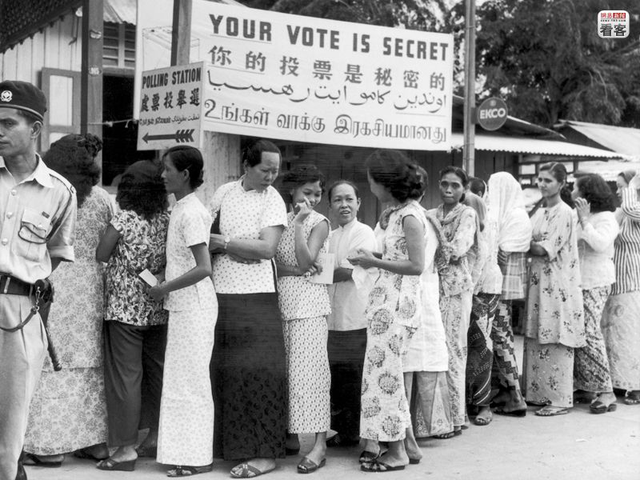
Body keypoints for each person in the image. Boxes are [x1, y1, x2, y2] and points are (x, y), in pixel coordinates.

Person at [0, 80, 76, 480]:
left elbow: (58, 254)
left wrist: (25, 285)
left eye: (8, 123)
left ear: (35, 129)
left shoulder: (60, 192)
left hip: (19, 315)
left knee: (11, 427)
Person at [23, 134, 111, 466]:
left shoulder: (50, 194)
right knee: (89, 363)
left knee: (49, 360)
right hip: (90, 286)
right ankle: (94, 442)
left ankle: (49, 447)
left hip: (54, 280)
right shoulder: (102, 199)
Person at [209, 139, 288, 478]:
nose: (271, 176)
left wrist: (228, 244)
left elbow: (267, 248)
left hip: (257, 297)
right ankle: (235, 449)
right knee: (229, 374)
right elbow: (206, 239)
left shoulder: (272, 199)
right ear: (246, 165)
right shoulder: (223, 193)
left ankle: (265, 453)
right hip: (221, 294)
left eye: (275, 170)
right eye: (265, 169)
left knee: (260, 375)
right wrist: (240, 248)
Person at [348, 149, 426, 473]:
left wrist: (373, 261)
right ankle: (408, 444)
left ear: (383, 181)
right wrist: (375, 254)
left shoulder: (410, 216)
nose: (369, 185)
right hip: (385, 305)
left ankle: (396, 452)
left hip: (397, 307)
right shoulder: (396, 213)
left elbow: (417, 265)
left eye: (371, 179)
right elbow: (398, 253)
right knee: (384, 374)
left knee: (386, 378)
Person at [95, 160, 170, 471]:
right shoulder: (168, 218)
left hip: (124, 310)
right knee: (157, 375)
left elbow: (101, 254)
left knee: (126, 379)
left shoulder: (124, 219)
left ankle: (125, 449)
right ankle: (154, 436)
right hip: (158, 307)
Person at [149, 146, 217, 477]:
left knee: (191, 383)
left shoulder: (191, 212)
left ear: (185, 174)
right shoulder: (180, 208)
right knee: (179, 381)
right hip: (183, 304)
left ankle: (197, 457)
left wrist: (164, 287)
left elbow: (204, 268)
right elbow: (182, 261)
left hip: (196, 306)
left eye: (167, 169)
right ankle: (184, 454)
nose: (162, 175)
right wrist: (164, 279)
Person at [275, 165, 331, 474]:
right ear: (293, 191)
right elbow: (278, 267)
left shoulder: (318, 222)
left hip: (309, 305)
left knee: (312, 376)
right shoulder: (279, 221)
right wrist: (295, 268)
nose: (312, 198)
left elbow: (306, 261)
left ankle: (319, 444)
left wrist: (298, 226)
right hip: (282, 301)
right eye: (306, 192)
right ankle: (291, 437)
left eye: (317, 193)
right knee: (287, 374)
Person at [523, 162, 585, 416]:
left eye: (548, 180)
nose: (542, 184)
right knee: (537, 333)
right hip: (538, 281)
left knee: (556, 333)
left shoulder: (565, 212)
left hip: (557, 282)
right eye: (539, 179)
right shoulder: (539, 211)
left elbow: (544, 248)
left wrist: (520, 242)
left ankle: (559, 399)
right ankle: (539, 395)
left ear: (561, 184)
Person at [402, 167, 451, 457]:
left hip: (416, 291)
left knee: (412, 361)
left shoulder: (415, 218)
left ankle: (410, 432)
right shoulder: (419, 216)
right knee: (413, 359)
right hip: (419, 291)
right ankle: (410, 431)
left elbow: (414, 262)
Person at [427, 166, 478, 437]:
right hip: (433, 287)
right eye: (445, 184)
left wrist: (433, 231)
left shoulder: (467, 213)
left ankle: (456, 417)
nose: (448, 189)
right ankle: (438, 417)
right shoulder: (431, 213)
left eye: (455, 185)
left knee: (454, 349)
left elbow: (457, 250)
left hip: (456, 289)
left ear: (464, 189)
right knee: (437, 348)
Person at [326, 181, 376, 448]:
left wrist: (315, 271)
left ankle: (356, 433)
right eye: (337, 200)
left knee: (355, 378)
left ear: (359, 203)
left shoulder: (364, 232)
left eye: (349, 199)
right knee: (338, 379)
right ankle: (344, 432)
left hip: (356, 316)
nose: (343, 205)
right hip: (332, 319)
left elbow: (346, 272)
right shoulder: (329, 235)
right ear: (330, 205)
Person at [571, 174, 619, 413]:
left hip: (596, 280)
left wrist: (584, 221)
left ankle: (607, 391)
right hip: (577, 280)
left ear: (585, 194)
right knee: (579, 333)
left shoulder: (606, 218)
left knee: (590, 333)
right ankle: (587, 385)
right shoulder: (579, 216)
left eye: (575, 188)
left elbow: (600, 244)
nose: (571, 192)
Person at [486, 172, 531, 417]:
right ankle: (506, 390)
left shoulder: (513, 217)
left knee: (501, 339)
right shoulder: (515, 213)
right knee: (504, 338)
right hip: (506, 286)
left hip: (501, 287)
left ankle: (515, 395)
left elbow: (500, 253)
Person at [601, 170, 640, 406]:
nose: (617, 191)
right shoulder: (621, 212)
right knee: (614, 335)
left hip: (633, 278)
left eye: (619, 186)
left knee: (631, 334)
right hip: (615, 279)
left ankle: (636, 385)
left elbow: (629, 208)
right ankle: (619, 382)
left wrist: (630, 186)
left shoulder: (634, 210)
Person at [464, 191, 502, 426]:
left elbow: (479, 264)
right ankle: (471, 400)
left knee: (481, 344)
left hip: (483, 289)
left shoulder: (483, 230)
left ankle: (483, 404)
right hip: (471, 290)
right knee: (469, 346)